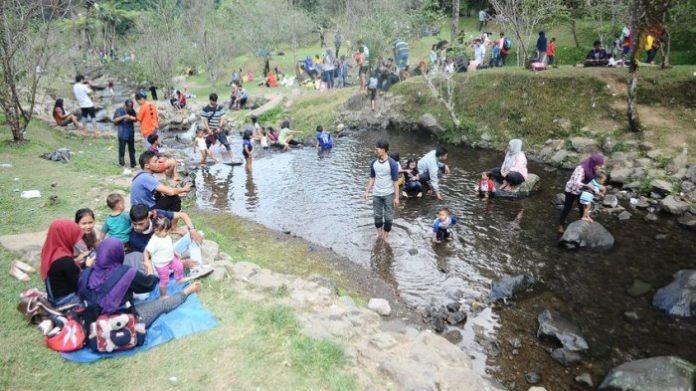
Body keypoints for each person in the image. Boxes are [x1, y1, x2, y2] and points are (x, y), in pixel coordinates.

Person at [78, 237, 203, 327]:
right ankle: (188, 291)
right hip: (120, 323)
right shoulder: (125, 273)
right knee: (161, 304)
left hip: (91, 322)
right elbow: (149, 284)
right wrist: (148, 267)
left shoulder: (85, 273)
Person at [127, 204, 207, 276]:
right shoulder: (134, 238)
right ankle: (190, 266)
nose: (137, 227)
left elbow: (182, 215)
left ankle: (196, 269)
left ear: (148, 217)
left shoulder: (157, 215)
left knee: (195, 234)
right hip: (156, 263)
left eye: (141, 224)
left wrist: (192, 230)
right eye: (134, 224)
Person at [41, 220, 93, 305]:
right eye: (73, 236)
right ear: (66, 236)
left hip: (54, 296)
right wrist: (88, 267)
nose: (76, 240)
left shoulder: (51, 251)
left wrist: (76, 262)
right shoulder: (65, 261)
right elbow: (80, 286)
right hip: (65, 300)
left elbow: (61, 271)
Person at [363, 139, 400, 243]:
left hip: (388, 194)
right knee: (377, 216)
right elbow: (372, 178)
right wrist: (367, 191)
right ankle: (379, 233)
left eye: (377, 149)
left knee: (388, 218)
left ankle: (386, 236)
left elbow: (395, 181)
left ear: (384, 150)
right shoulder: (374, 163)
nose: (375, 151)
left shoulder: (392, 164)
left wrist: (396, 198)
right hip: (376, 194)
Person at [559, 153, 605, 232]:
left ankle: (583, 222)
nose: (600, 167)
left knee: (583, 207)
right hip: (571, 190)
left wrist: (598, 189)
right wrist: (589, 186)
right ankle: (561, 225)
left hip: (582, 190)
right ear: (594, 163)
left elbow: (593, 182)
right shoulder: (581, 168)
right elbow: (576, 182)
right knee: (567, 208)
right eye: (599, 165)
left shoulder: (593, 169)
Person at [143, 216, 184, 299]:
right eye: (165, 230)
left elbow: (169, 246)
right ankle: (163, 295)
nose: (167, 232)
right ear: (156, 230)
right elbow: (146, 251)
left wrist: (175, 253)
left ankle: (179, 279)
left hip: (171, 258)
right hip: (161, 264)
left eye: (168, 229)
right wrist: (147, 263)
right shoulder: (154, 241)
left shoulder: (166, 236)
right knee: (164, 280)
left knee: (179, 266)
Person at [200, 93, 232, 159]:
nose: (214, 102)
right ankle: (203, 160)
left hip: (219, 130)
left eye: (215, 101)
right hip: (210, 131)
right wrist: (208, 130)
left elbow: (222, 118)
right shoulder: (205, 109)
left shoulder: (220, 108)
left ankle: (233, 159)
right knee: (206, 146)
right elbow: (204, 120)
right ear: (210, 100)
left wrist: (219, 127)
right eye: (213, 101)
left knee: (226, 144)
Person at [113, 99, 137, 168]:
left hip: (130, 133)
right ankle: (122, 163)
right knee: (122, 150)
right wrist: (124, 117)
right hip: (122, 133)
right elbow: (114, 121)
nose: (129, 108)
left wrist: (132, 118)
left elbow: (136, 119)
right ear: (125, 105)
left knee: (132, 149)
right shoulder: (119, 110)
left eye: (131, 107)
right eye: (128, 107)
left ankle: (133, 164)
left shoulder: (132, 111)